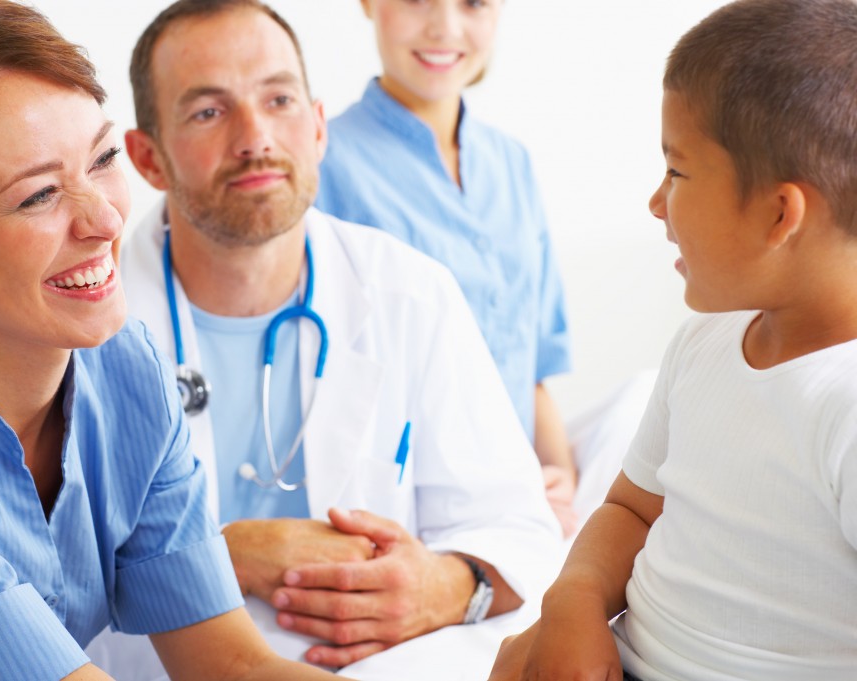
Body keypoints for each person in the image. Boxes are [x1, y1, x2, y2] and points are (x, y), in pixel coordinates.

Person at [0, 1, 349, 679]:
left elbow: (232, 664)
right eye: (39, 195)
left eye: (103, 158)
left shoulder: (127, 370)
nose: (105, 219)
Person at [87, 0, 563, 677]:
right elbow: (47, 584)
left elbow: (520, 530)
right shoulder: (79, 331)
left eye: (278, 99)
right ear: (147, 156)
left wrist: (450, 584)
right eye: (208, 111)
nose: (255, 137)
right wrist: (221, 553)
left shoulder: (411, 292)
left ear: (316, 127)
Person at [488, 0, 857, 679]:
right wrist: (570, 602)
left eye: (678, 172)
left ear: (781, 213)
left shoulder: (844, 404)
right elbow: (631, 505)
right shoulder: (705, 342)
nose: (657, 202)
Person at [314, 0, 580, 535]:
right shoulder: (323, 163)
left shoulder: (512, 164)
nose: (445, 27)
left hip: (523, 504)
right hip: (399, 509)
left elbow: (530, 367)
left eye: (474, 3)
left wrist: (559, 473)